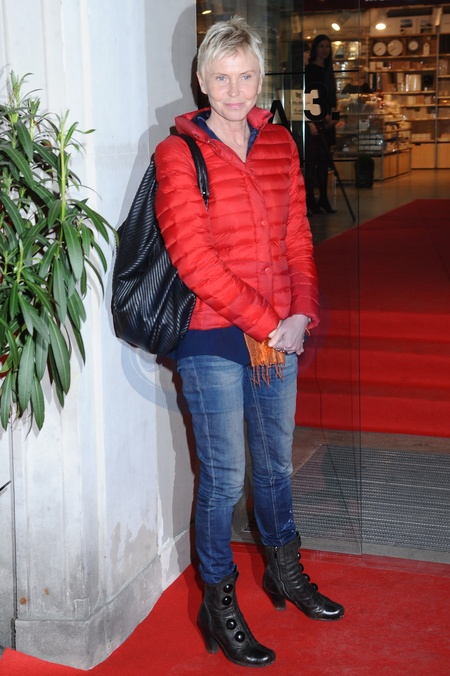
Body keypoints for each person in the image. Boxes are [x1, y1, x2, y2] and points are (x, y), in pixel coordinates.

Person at [154, 17, 344, 668]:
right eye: (222, 78)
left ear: (261, 78)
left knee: (275, 465)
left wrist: (303, 314)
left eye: (247, 77)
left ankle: (285, 571)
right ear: (201, 81)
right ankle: (218, 598)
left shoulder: (280, 144)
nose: (235, 91)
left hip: (278, 333)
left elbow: (298, 238)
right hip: (211, 335)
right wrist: (269, 323)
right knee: (225, 477)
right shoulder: (178, 153)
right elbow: (194, 262)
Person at [304, 34, 338, 214]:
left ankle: (324, 199)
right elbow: (307, 97)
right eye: (321, 46)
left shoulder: (329, 70)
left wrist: (335, 117)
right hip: (315, 120)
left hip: (327, 121)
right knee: (311, 162)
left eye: (327, 46)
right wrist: (310, 120)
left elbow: (334, 98)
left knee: (324, 163)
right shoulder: (309, 70)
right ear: (315, 48)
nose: (325, 50)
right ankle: (310, 200)